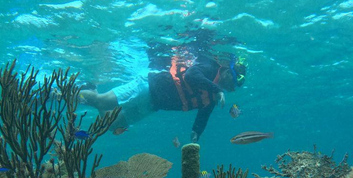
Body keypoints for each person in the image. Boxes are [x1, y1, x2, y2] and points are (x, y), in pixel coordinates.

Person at [80, 54, 246, 142]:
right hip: (148, 86)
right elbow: (190, 75)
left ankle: (92, 98)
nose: (233, 87)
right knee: (101, 101)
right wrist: (217, 89)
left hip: (153, 105)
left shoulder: (215, 95)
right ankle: (62, 93)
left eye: (237, 86)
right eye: (234, 79)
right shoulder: (210, 67)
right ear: (225, 70)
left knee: (111, 126)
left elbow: (204, 113)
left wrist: (196, 132)